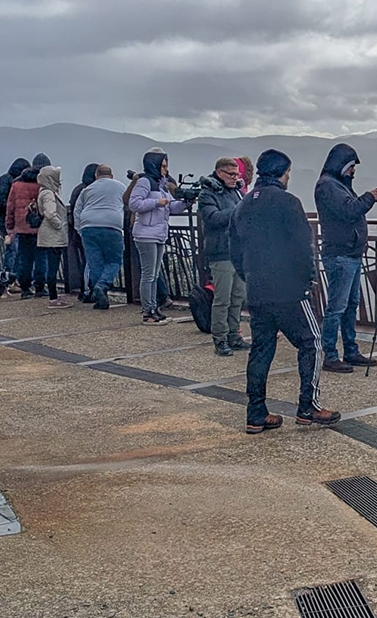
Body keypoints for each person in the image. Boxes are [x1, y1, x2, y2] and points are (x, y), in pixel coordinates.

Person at [229, 149, 340, 433]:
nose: (289, 177)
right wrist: (308, 280)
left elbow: (235, 250)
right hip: (289, 289)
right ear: (281, 172)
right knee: (313, 343)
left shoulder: (243, 206)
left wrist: (249, 276)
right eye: (288, 172)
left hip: (257, 290)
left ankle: (256, 413)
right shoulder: (288, 202)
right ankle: (308, 407)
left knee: (261, 348)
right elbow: (304, 246)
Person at [313, 143, 377, 372]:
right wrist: (369, 197)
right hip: (340, 255)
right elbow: (348, 210)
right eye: (351, 166)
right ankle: (330, 355)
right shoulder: (327, 186)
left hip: (350, 254)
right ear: (341, 165)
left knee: (351, 304)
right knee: (337, 307)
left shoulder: (337, 185)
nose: (353, 171)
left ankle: (351, 351)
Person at [127, 148, 187, 325]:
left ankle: (154, 308)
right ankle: (148, 312)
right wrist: (156, 202)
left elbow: (172, 207)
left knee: (153, 274)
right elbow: (134, 203)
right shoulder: (145, 182)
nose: (165, 170)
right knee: (148, 274)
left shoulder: (161, 185)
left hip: (158, 233)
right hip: (145, 234)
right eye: (163, 166)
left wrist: (186, 203)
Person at [198, 157, 249, 356]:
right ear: (219, 173)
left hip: (237, 251)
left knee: (238, 297)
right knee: (222, 298)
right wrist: (238, 211)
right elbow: (212, 219)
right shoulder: (207, 194)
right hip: (219, 252)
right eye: (232, 174)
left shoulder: (235, 191)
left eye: (237, 174)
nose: (236, 178)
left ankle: (234, 335)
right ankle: (220, 338)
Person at [73, 165, 126, 310]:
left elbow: (77, 210)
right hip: (112, 225)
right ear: (112, 175)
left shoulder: (88, 189)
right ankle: (102, 286)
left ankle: (100, 294)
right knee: (114, 260)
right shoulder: (121, 187)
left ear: (96, 176)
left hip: (88, 226)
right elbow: (128, 205)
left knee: (94, 261)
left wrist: (80, 229)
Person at [5, 157, 44, 299]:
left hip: (22, 227)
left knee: (24, 259)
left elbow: (10, 208)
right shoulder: (42, 184)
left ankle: (25, 288)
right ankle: (40, 287)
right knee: (41, 258)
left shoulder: (16, 185)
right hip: (40, 227)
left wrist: (10, 227)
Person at [35, 165, 70, 308]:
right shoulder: (49, 193)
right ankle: (53, 298)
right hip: (53, 235)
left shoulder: (42, 191)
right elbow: (50, 213)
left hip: (47, 234)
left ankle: (53, 295)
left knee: (51, 266)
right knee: (53, 267)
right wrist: (59, 224)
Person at [0, 157, 30, 274]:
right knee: (13, 247)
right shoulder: (8, 181)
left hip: (7, 219)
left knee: (14, 247)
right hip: (6, 220)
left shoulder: (5, 180)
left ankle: (12, 273)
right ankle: (10, 273)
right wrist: (13, 209)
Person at [68, 163, 99, 301]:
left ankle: (87, 288)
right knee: (90, 262)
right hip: (87, 231)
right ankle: (88, 290)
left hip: (78, 231)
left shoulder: (78, 190)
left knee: (86, 262)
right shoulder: (90, 191)